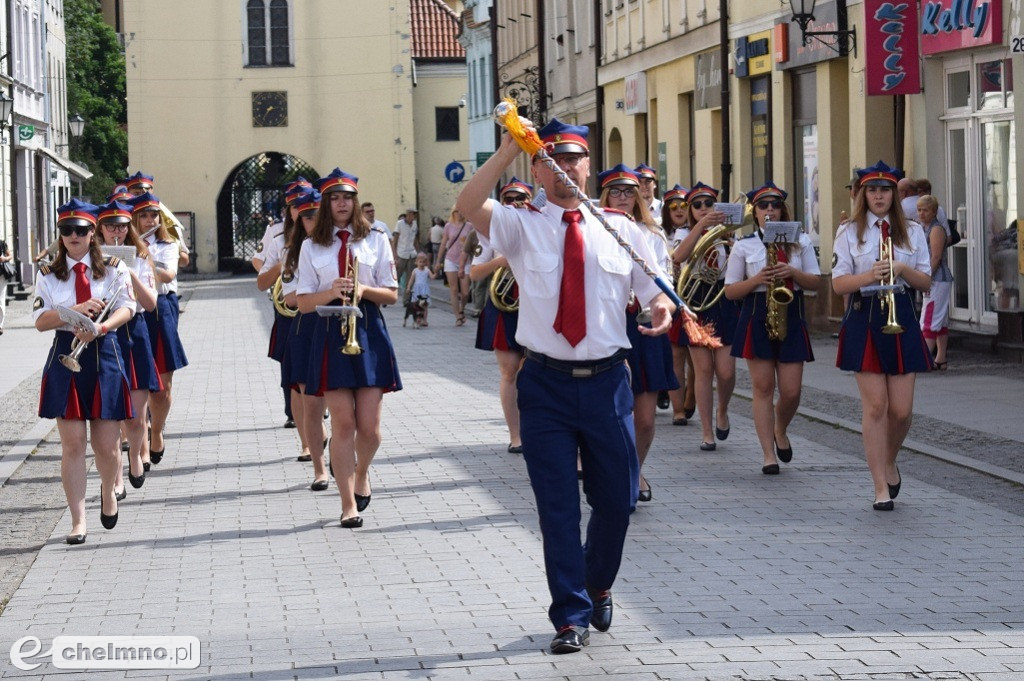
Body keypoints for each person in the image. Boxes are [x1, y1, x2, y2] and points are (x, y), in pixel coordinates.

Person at [456, 117, 675, 654]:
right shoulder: (519, 225)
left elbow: (653, 289)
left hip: (606, 384)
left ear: (589, 165)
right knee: (556, 507)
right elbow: (467, 204)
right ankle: (570, 614)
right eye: (552, 159)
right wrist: (507, 149)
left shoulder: (622, 229)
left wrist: (661, 306)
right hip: (546, 386)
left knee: (618, 500)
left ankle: (598, 581)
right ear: (537, 168)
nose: (565, 168)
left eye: (575, 158)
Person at [296, 169, 402, 528]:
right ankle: (346, 504)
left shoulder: (375, 239)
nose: (341, 203)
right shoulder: (312, 245)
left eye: (347, 197)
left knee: (369, 429)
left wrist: (363, 290)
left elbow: (391, 293)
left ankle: (361, 473)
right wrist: (331, 290)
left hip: (368, 330)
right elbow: (302, 302)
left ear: (355, 201)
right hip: (329, 331)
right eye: (334, 198)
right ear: (326, 203)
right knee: (342, 423)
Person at [34, 200, 136, 544]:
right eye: (67, 231)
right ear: (59, 234)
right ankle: (78, 520)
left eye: (81, 230)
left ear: (93, 233)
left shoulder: (112, 267)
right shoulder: (47, 272)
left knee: (106, 447)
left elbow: (128, 307)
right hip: (66, 354)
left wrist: (102, 327)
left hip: (103, 353)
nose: (74, 236)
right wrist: (73, 311)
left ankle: (109, 491)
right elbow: (40, 321)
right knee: (73, 444)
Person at [833, 161, 933, 511]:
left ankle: (889, 459)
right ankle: (879, 486)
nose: (878, 196)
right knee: (876, 406)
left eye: (885, 190)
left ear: (894, 194)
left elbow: (926, 281)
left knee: (902, 412)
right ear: (863, 194)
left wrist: (902, 269)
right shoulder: (849, 232)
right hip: (865, 314)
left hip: (901, 311)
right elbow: (838, 282)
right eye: (872, 190)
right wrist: (868, 277)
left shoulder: (913, 232)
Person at [724, 183, 820, 474]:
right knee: (763, 387)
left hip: (790, 313)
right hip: (756, 313)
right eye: (763, 206)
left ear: (782, 210)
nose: (769, 210)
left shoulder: (800, 242)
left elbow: (815, 282)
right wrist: (756, 280)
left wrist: (792, 271)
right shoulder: (744, 245)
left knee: (791, 391)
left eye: (774, 206)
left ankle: (780, 427)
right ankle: (768, 454)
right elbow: (730, 291)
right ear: (756, 213)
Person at [598, 164, 678, 502]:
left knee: (645, 419)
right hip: (607, 324)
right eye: (615, 191)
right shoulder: (591, 229)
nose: (622, 198)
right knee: (613, 414)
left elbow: (666, 283)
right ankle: (620, 475)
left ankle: (635, 468)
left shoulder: (652, 233)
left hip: (643, 323)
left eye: (629, 191)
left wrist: (665, 307)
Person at [96, 199, 161, 492]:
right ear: (100, 229)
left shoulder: (142, 257)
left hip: (133, 333)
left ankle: (136, 453)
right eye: (110, 227)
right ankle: (118, 475)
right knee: (112, 413)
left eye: (122, 227)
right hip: (105, 335)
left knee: (135, 415)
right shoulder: (90, 257)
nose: (117, 233)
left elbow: (150, 304)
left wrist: (128, 269)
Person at [671, 182, 739, 451]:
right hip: (697, 302)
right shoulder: (683, 232)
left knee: (726, 371)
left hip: (722, 301)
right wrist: (701, 227)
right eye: (697, 205)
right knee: (704, 370)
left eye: (708, 204)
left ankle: (722, 409)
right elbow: (679, 256)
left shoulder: (727, 235)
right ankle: (707, 432)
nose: (703, 209)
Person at [470, 177, 534, 454]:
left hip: (535, 305)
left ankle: (537, 429)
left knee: (533, 372)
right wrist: (502, 260)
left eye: (520, 199)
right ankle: (516, 435)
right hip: (504, 304)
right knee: (509, 372)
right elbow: (475, 273)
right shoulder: (487, 233)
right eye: (509, 200)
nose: (515, 204)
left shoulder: (539, 229)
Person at [131, 192, 189, 467]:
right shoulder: (122, 244)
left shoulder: (167, 243)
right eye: (143, 215)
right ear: (135, 218)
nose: (149, 220)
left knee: (162, 387)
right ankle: (140, 445)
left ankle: (157, 430)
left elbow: (168, 275)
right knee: (138, 383)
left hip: (161, 306)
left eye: (153, 215)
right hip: (132, 309)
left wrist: (144, 256)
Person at [281, 190, 331, 483]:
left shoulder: (340, 245)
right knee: (311, 401)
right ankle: (319, 468)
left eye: (316, 215)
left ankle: (340, 449)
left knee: (341, 398)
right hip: (307, 327)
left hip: (338, 323)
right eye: (307, 217)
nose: (313, 221)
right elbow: (291, 299)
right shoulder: (292, 252)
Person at [254, 177, 311, 428]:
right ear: (289, 209)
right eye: (296, 205)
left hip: (317, 307)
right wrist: (279, 267)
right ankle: (293, 411)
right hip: (288, 306)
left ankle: (318, 407)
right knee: (289, 359)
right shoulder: (277, 233)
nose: (302, 210)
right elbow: (259, 264)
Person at [661, 185, 697, 425]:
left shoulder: (695, 231)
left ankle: (691, 396)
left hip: (694, 297)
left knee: (695, 357)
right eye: (674, 205)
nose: (679, 209)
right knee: (675, 355)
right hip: (671, 295)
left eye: (684, 205)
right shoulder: (660, 233)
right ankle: (678, 410)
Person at [124, 172, 191, 270]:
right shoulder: (122, 221)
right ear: (129, 193)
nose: (142, 196)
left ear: (152, 191)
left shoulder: (166, 221)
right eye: (137, 193)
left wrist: (167, 250)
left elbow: (184, 261)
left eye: (146, 192)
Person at [917, 195, 953, 370]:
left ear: (934, 212)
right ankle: (940, 358)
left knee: (929, 318)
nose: (922, 213)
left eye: (925, 210)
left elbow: (936, 257)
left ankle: (923, 359)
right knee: (941, 319)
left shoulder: (936, 229)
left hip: (937, 279)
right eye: (919, 210)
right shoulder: (925, 227)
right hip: (935, 278)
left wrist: (926, 277)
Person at [435, 207, 473, 326]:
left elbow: (475, 242)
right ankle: (457, 316)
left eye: (462, 211)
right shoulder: (448, 226)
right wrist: (438, 261)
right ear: (453, 212)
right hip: (450, 259)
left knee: (466, 292)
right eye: (457, 211)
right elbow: (443, 244)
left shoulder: (469, 226)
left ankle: (462, 308)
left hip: (466, 260)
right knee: (454, 289)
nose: (460, 213)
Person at [392, 208, 419, 300]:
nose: (413, 217)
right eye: (412, 214)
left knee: (410, 278)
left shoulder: (415, 224)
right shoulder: (400, 224)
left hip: (412, 253)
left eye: (414, 215)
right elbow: (395, 240)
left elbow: (415, 239)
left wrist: (418, 252)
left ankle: (406, 300)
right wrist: (394, 255)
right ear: (408, 214)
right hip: (401, 253)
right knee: (396, 277)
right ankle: (389, 295)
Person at [405, 252, 432, 327]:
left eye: (424, 262)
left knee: (425, 305)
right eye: (420, 262)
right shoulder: (415, 271)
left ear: (426, 263)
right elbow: (411, 280)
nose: (422, 263)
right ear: (416, 262)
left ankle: (425, 320)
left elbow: (432, 277)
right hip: (417, 289)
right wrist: (408, 287)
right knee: (416, 305)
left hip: (424, 290)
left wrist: (436, 271)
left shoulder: (427, 270)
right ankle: (417, 319)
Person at [0, 236, 12, 335]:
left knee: (1, 299)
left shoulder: (1, 243)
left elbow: (10, 256)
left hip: (1, 276)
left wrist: (4, 259)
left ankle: (0, 325)